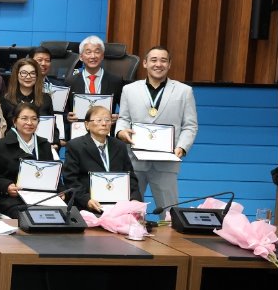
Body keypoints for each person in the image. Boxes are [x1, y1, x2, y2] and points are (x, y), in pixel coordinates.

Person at [116, 46, 198, 217]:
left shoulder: (184, 91)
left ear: (169, 65)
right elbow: (123, 118)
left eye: (163, 60)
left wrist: (181, 148)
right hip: (135, 160)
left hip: (167, 162)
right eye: (153, 60)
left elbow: (190, 125)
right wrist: (121, 132)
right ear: (145, 63)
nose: (158, 64)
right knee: (130, 213)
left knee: (169, 214)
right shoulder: (129, 89)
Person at [62, 105, 142, 213]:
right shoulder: (75, 146)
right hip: (88, 205)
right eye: (99, 120)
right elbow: (71, 180)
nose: (104, 124)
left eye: (107, 120)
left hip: (118, 205)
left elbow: (130, 177)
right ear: (87, 124)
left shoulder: (119, 146)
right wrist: (86, 200)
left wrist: (135, 199)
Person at [0, 103, 59, 219]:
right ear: (15, 121)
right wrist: (7, 186)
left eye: (34, 119)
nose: (29, 123)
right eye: (24, 118)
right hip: (14, 200)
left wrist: (60, 192)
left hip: (42, 198)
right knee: (31, 218)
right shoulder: (0, 146)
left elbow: (52, 174)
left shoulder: (44, 145)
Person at [67, 36, 124, 125]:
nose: (93, 56)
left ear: (102, 56)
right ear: (81, 57)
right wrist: (67, 117)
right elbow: (64, 112)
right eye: (88, 52)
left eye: (97, 52)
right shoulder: (70, 81)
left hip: (106, 130)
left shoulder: (115, 81)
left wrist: (118, 116)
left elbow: (125, 112)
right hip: (78, 131)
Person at [0, 58, 53, 128]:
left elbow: (53, 128)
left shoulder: (46, 99)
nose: (28, 77)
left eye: (32, 73)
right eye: (24, 73)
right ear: (16, 75)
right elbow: (2, 128)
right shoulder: (6, 100)